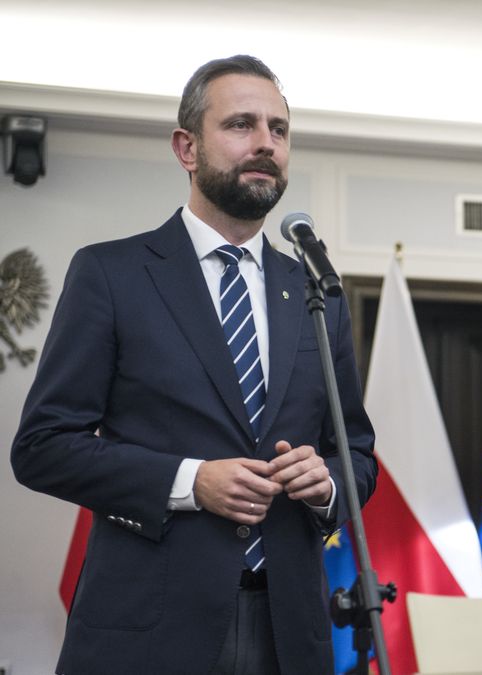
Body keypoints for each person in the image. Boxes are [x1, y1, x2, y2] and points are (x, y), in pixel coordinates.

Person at [11, 55, 377, 675]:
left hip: (290, 632)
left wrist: (329, 486)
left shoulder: (315, 290)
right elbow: (44, 447)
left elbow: (357, 453)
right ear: (186, 148)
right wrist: (188, 482)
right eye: (241, 125)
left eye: (279, 129)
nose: (265, 143)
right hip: (149, 628)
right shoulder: (112, 274)